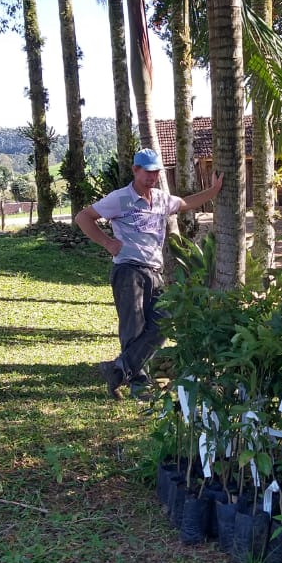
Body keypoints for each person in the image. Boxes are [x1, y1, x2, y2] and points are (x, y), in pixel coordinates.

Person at [76, 148, 223, 400]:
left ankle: (118, 369)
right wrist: (108, 243)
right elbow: (83, 217)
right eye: (148, 172)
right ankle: (138, 384)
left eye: (156, 173)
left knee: (164, 321)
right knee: (133, 327)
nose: (152, 178)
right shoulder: (119, 198)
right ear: (135, 170)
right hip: (128, 270)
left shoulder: (162, 199)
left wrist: (213, 191)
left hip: (154, 271)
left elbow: (187, 203)